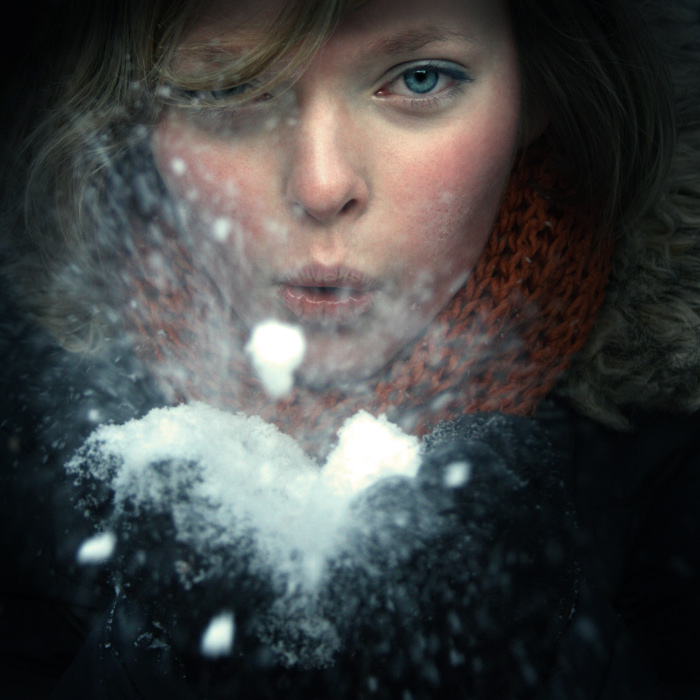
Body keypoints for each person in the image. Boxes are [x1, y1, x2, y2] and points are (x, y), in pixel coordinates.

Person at [1, 0, 699, 698]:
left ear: (540, 92)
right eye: (228, 89)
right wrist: (151, 663)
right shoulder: (23, 451)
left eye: (422, 79)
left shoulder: (674, 461)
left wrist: (552, 664)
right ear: (134, 114)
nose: (321, 185)